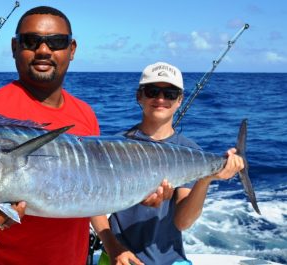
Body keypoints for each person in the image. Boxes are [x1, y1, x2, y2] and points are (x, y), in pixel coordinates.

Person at [0, 6, 101, 265]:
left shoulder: (86, 114)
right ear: (14, 47)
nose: (43, 50)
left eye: (56, 42)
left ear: (71, 49)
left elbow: (92, 191)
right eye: (31, 41)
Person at [93, 62, 245, 265]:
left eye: (170, 94)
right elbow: (94, 203)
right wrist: (114, 247)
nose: (161, 99)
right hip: (118, 257)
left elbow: (183, 222)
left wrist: (206, 178)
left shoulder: (191, 152)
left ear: (180, 100)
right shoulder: (114, 146)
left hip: (171, 259)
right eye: (152, 91)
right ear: (140, 96)